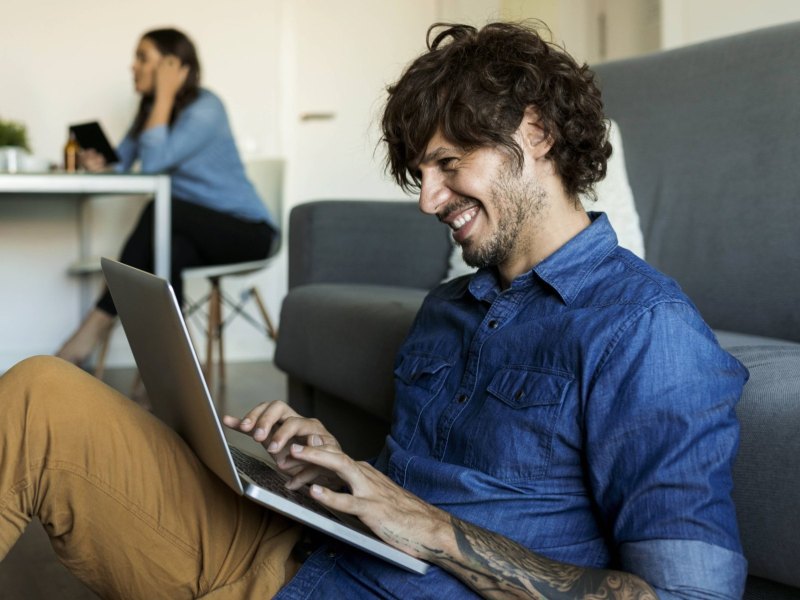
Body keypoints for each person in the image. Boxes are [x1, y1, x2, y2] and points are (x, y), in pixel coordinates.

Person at [0, 21, 748, 599]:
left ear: (537, 133)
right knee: (40, 393)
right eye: (420, 173)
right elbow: (408, 487)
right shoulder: (450, 307)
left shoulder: (646, 330)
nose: (427, 200)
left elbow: (682, 593)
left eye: (449, 164)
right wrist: (326, 473)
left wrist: (439, 534)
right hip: (285, 552)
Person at [56, 28, 278, 366]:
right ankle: (173, 371)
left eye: (143, 58)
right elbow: (125, 165)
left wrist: (163, 96)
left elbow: (155, 164)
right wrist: (100, 165)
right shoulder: (150, 113)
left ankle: (91, 330)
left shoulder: (207, 107)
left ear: (174, 67)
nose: (133, 67)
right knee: (168, 250)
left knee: (160, 210)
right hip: (191, 230)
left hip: (247, 231)